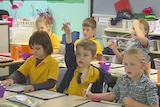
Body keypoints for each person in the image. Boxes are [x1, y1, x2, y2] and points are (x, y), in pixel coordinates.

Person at [84, 48, 159, 107]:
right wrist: (92, 95)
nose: (128, 68)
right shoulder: (122, 79)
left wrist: (135, 104)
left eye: (132, 64)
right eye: (125, 64)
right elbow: (112, 95)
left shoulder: (148, 85)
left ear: (142, 65)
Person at [57, 22, 112, 96]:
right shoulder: (73, 67)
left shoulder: (97, 74)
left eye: (85, 55)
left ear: (93, 57)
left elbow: (97, 96)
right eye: (78, 54)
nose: (81, 58)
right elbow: (69, 50)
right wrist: (68, 34)